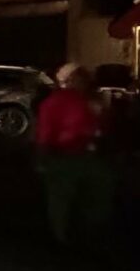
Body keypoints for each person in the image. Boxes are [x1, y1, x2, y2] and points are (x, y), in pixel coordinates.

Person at [35, 62, 112, 247]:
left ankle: (76, 234)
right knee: (63, 197)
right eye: (81, 77)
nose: (86, 81)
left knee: (84, 195)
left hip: (83, 154)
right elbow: (45, 133)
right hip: (64, 155)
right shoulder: (59, 102)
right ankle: (63, 237)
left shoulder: (87, 100)